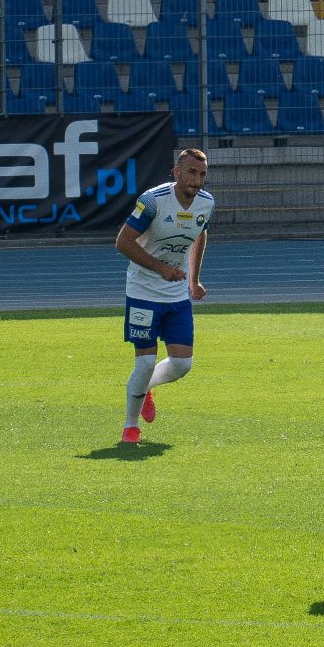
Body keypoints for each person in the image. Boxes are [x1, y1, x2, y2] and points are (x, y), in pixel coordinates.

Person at [114, 148, 214, 446]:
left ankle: (146, 390)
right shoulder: (152, 202)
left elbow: (200, 233)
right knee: (144, 364)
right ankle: (131, 427)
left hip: (176, 296)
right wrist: (161, 268)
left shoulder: (206, 203)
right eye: (191, 173)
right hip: (143, 292)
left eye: (202, 174)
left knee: (183, 365)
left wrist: (193, 280)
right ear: (176, 172)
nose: (197, 181)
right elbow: (123, 242)